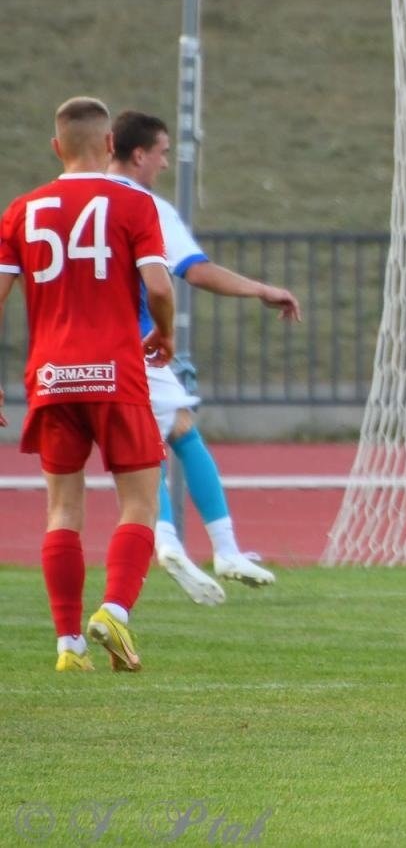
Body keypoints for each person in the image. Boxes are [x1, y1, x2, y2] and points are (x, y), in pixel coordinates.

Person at [0, 97, 176, 672]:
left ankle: (68, 645)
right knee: (140, 503)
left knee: (61, 509)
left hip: (51, 378)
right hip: (115, 373)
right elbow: (160, 286)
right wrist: (165, 335)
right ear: (108, 145)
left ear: (57, 147)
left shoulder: (21, 210)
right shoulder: (133, 203)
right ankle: (116, 612)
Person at [107, 111, 301, 602]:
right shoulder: (144, 206)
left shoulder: (63, 202)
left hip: (69, 357)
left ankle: (168, 540)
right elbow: (191, 272)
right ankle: (222, 547)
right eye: (163, 153)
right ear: (138, 154)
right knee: (182, 432)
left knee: (134, 452)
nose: (166, 163)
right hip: (134, 345)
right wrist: (261, 289)